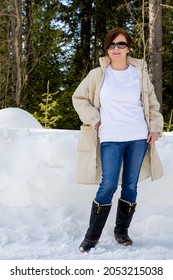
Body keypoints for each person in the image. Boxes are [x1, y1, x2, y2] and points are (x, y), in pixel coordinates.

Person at [72, 27, 163, 253]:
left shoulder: (139, 73)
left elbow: (152, 104)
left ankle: (121, 232)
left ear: (128, 48)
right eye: (112, 45)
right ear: (107, 49)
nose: (116, 49)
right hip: (110, 137)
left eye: (121, 44)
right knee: (109, 184)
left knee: (130, 186)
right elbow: (79, 98)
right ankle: (91, 237)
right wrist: (95, 119)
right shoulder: (97, 74)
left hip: (138, 137)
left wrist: (154, 128)